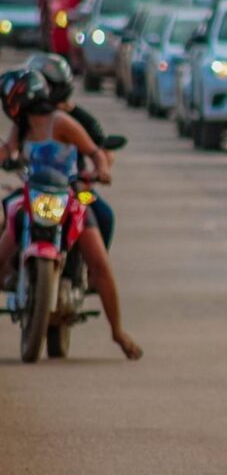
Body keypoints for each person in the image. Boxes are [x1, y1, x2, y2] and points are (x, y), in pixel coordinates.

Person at [0, 69, 141, 360]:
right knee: (4, 242)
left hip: (67, 195)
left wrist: (101, 170)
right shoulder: (21, 127)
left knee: (99, 263)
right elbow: (8, 151)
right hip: (32, 194)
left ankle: (118, 332)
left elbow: (94, 150)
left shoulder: (62, 122)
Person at [25, 53, 116, 247]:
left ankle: (94, 273)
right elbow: (9, 149)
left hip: (74, 189)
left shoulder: (79, 119)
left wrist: (97, 173)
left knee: (104, 215)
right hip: (32, 188)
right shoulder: (25, 118)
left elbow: (102, 151)